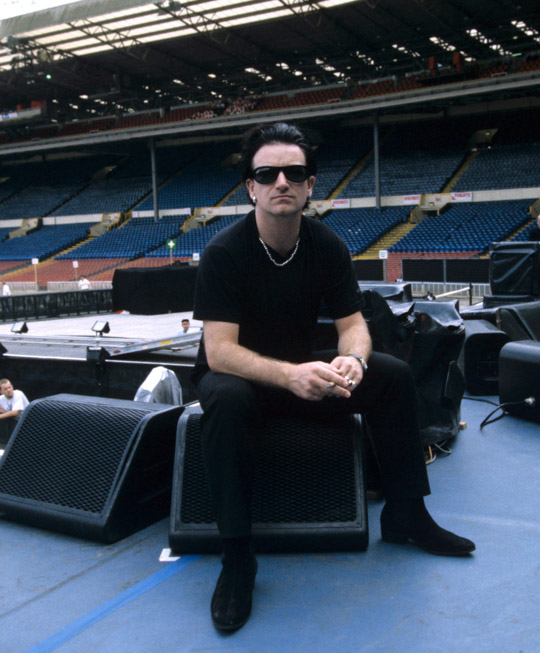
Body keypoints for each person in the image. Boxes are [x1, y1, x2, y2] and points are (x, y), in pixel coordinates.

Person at [192, 122, 474, 632]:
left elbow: (353, 328)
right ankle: (237, 559)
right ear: (250, 187)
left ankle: (407, 515)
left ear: (310, 185)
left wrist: (355, 361)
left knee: (389, 374)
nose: (282, 181)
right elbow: (220, 353)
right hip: (242, 378)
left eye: (294, 173)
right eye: (268, 173)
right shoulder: (224, 254)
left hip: (302, 374)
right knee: (228, 399)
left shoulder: (327, 246)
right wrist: (290, 375)